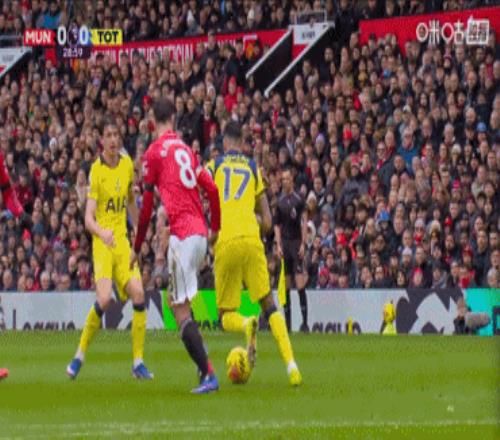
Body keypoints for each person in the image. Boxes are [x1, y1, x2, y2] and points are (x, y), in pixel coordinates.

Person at [132, 98, 221, 394]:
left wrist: (136, 246)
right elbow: (212, 189)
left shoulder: (153, 153)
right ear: (173, 118)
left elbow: (146, 208)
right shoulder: (186, 150)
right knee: (178, 302)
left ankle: (208, 373)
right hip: (199, 234)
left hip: (182, 238)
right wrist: (215, 229)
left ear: (152, 121)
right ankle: (203, 364)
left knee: (178, 307)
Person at [207, 121, 302, 387]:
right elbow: (269, 223)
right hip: (251, 238)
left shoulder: (214, 166)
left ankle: (246, 323)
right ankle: (292, 367)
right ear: (242, 142)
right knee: (269, 304)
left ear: (225, 142)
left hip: (226, 239)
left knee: (225, 314)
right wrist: (252, 218)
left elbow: (199, 189)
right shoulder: (252, 168)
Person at [66, 116, 152, 380]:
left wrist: (139, 233)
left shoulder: (127, 165)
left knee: (139, 294)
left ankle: (138, 362)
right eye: (109, 135)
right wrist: (102, 232)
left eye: (116, 135)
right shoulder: (96, 171)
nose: (113, 140)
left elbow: (130, 202)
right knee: (104, 299)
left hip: (122, 242)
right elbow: (88, 218)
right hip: (103, 244)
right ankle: (79, 355)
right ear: (102, 140)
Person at [274, 168, 309, 332]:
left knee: (300, 283)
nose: (284, 182)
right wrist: (278, 245)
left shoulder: (299, 199)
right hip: (285, 244)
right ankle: (287, 324)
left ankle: (305, 323)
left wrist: (303, 243)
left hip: (296, 243)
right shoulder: (279, 202)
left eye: (287, 179)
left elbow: (304, 221)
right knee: (286, 284)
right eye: (283, 179)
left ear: (292, 181)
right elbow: (277, 225)